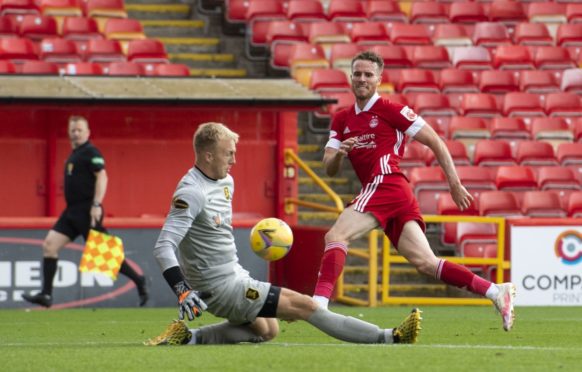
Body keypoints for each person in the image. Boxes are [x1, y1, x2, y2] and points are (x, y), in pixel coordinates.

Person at [145, 122, 422, 346]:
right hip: (220, 286)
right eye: (228, 153)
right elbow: (163, 247)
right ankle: (390, 336)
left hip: (233, 274)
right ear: (208, 155)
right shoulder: (191, 192)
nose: (234, 159)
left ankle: (190, 337)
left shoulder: (225, 180)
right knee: (306, 306)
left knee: (268, 329)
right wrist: (182, 291)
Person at [312, 51, 516, 332]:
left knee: (336, 235)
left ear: (378, 80)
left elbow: (435, 141)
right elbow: (329, 167)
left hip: (386, 182)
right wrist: (338, 155)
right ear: (350, 77)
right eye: (357, 73)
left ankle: (319, 305)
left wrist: (454, 183)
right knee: (426, 263)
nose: (362, 79)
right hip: (392, 193)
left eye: (368, 75)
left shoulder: (391, 110)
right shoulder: (341, 119)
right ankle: (495, 291)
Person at [22, 115, 148, 308]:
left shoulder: (90, 152)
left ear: (88, 133)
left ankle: (139, 280)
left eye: (80, 130)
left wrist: (96, 205)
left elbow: (102, 177)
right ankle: (46, 295)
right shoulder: (75, 153)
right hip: (71, 212)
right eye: (73, 130)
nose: (76, 133)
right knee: (49, 245)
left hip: (87, 211)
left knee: (106, 256)